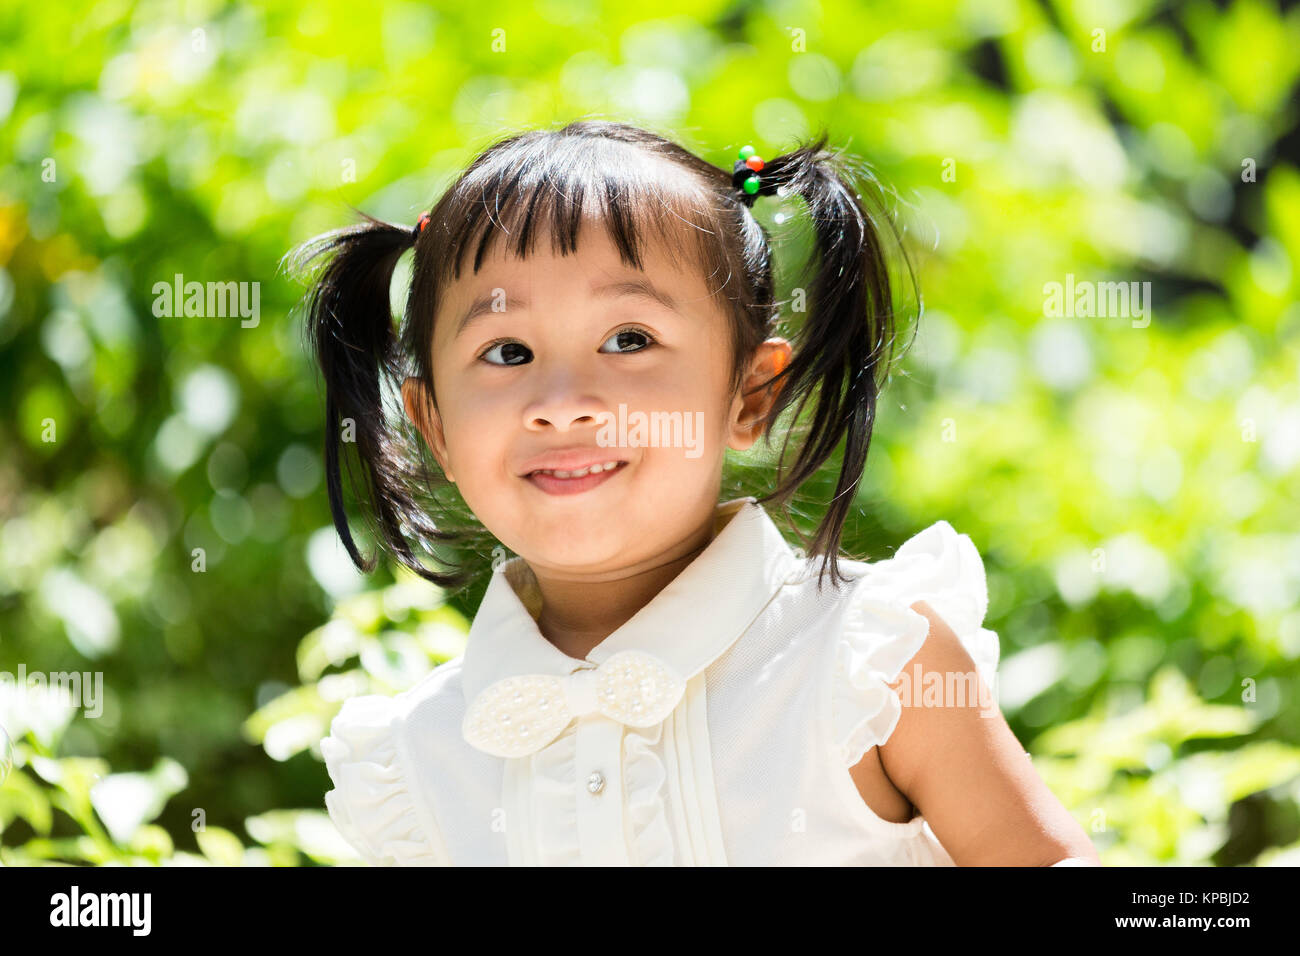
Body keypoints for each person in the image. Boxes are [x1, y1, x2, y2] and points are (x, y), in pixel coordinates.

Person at [287, 119, 1100, 866]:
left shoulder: (868, 663)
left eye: (628, 339)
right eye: (506, 352)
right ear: (434, 427)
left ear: (749, 395)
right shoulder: (422, 761)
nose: (563, 400)